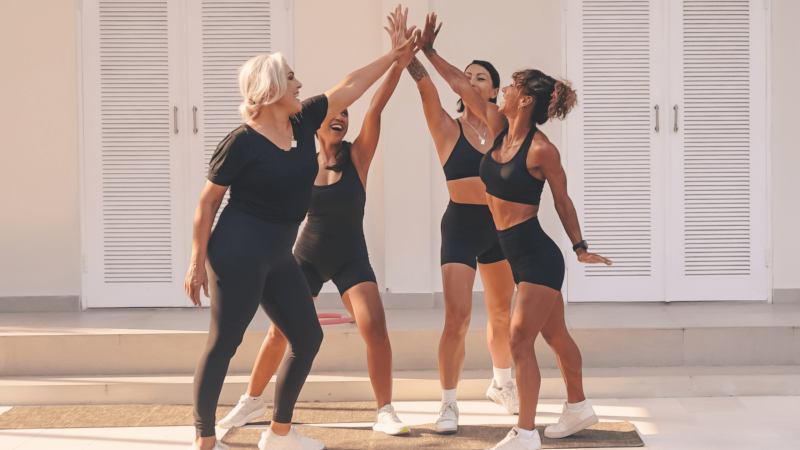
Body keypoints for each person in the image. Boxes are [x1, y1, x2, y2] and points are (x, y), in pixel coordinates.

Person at [183, 13, 418, 449]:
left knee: (307, 337)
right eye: (291, 78)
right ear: (271, 89)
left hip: (278, 254)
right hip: (238, 251)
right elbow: (207, 203)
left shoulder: (303, 122)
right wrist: (197, 263)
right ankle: (205, 439)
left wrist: (393, 57)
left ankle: (279, 434)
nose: (299, 83)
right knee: (225, 342)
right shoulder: (242, 142)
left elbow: (350, 85)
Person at [416, 13, 612, 450]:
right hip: (513, 251)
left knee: (520, 339)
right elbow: (461, 87)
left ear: (525, 101)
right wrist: (428, 53)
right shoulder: (499, 129)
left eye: (510, 86)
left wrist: (579, 246)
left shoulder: (542, 149)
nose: (501, 91)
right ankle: (578, 406)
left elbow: (562, 200)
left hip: (537, 256)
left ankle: (525, 433)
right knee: (557, 337)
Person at [403, 14, 518, 437]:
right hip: (461, 227)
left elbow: (457, 85)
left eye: (480, 77)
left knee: (502, 314)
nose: (471, 80)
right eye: (468, 75)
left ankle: (502, 384)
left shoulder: (503, 127)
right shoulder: (447, 129)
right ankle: (448, 404)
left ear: (493, 89)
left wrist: (432, 53)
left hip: (500, 226)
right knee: (458, 317)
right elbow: (428, 86)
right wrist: (412, 56)